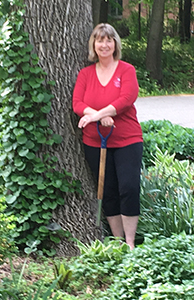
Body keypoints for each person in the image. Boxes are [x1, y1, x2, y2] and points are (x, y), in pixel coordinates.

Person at [72, 23, 143, 249]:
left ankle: (130, 244)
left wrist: (96, 115)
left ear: (115, 44)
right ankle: (118, 241)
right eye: (100, 40)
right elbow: (77, 104)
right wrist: (98, 116)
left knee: (129, 188)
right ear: (94, 44)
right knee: (108, 190)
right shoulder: (85, 74)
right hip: (95, 142)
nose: (104, 45)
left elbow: (126, 99)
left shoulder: (126, 70)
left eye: (109, 40)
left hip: (127, 140)